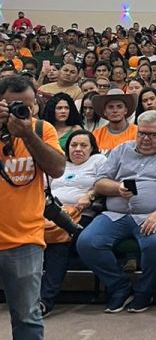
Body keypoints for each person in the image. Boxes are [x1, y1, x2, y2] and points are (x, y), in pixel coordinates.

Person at [76, 110, 156, 313]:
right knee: (87, 242)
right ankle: (119, 286)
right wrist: (117, 188)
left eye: (152, 134)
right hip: (116, 215)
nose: (145, 138)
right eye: (142, 133)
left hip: (153, 214)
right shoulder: (121, 150)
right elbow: (100, 183)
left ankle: (145, 291)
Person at [0, 74, 66, 340]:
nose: (21, 111)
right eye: (13, 105)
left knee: (26, 316)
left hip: (24, 238)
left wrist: (25, 133)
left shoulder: (41, 130)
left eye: (27, 105)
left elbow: (57, 167)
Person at [40, 129, 106, 315]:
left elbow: (104, 183)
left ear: (92, 148)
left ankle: (44, 301)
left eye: (83, 145)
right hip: (51, 213)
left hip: (82, 214)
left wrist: (90, 195)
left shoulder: (98, 161)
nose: (78, 149)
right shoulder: (59, 164)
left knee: (59, 243)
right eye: (73, 145)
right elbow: (42, 189)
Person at [91, 88, 139, 152]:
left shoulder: (137, 132)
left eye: (119, 107)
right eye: (110, 107)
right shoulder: (97, 134)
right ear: (105, 112)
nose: (115, 110)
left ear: (125, 110)